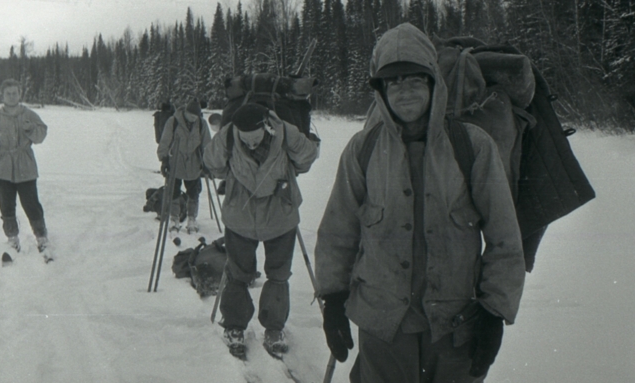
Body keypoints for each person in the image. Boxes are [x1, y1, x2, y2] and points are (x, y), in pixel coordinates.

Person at [314, 22, 526, 383]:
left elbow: (505, 237)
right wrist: (333, 301)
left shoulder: (472, 146)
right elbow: (338, 232)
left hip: (455, 332)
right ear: (380, 91)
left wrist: (495, 313)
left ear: (433, 83)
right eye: (393, 81)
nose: (404, 90)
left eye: (414, 78)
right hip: (383, 331)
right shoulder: (362, 149)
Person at [203, 103, 319, 359]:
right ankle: (234, 326)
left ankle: (274, 328)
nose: (252, 144)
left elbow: (308, 157)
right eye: (246, 140)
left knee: (278, 274)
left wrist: (294, 138)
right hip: (240, 218)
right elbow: (213, 163)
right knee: (238, 273)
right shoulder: (229, 136)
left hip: (280, 217)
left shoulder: (284, 133)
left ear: (266, 127)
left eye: (256, 139)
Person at [0, 78, 50, 253]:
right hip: (3, 169)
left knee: (31, 204)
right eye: (8, 93)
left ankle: (42, 237)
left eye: (15, 93)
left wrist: (31, 130)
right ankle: (12, 239)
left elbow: (41, 136)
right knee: (6, 206)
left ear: (20, 94)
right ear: (2, 95)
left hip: (26, 168)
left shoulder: (28, 115)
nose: (12, 97)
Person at [157, 98, 212, 233]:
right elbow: (165, 141)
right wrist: (164, 159)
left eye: (196, 116)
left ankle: (192, 218)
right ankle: (174, 217)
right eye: (191, 116)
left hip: (194, 162)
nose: (193, 119)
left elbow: (207, 144)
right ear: (186, 112)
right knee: (174, 191)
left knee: (194, 192)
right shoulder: (173, 121)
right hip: (176, 161)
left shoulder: (201, 124)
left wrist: (208, 162)